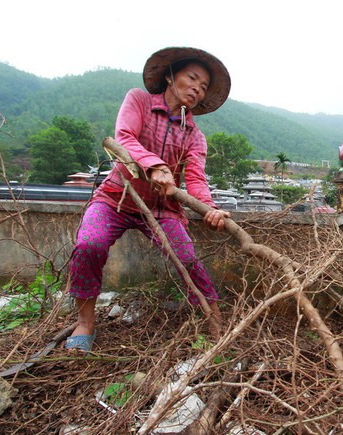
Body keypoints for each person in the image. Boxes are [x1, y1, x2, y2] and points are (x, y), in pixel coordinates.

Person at [64, 47, 232, 352]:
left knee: (188, 260)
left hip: (162, 208)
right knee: (90, 244)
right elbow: (124, 137)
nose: (197, 88)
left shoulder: (194, 136)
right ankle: (85, 323)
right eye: (192, 78)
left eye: (204, 86)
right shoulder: (138, 101)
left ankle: (216, 324)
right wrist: (155, 165)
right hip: (117, 197)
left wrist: (211, 209)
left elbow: (195, 178)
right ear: (170, 76)